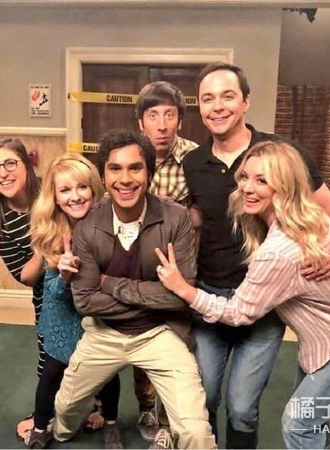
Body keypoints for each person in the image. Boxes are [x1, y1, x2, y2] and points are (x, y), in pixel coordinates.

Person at [156, 140, 330, 449]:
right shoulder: (308, 218)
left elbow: (238, 313)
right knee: (312, 419)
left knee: (299, 425)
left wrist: (182, 288)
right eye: (245, 177)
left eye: (262, 181)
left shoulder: (278, 251)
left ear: (284, 186)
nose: (247, 188)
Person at [182, 62, 330, 448]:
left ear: (245, 102)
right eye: (207, 99)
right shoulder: (193, 163)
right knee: (203, 399)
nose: (217, 106)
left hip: (266, 307)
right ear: (199, 107)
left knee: (242, 407)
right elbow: (198, 218)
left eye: (228, 96)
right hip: (210, 296)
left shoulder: (282, 155)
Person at [50, 129, 217, 450]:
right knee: (64, 409)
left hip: (160, 333)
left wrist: (109, 283)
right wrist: (156, 295)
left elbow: (180, 295)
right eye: (115, 168)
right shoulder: (88, 226)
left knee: (196, 433)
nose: (125, 179)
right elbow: (85, 301)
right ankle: (61, 432)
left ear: (149, 174)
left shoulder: (176, 219)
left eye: (135, 168)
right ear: (103, 176)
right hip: (104, 334)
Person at [22, 153, 122, 450]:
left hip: (100, 316)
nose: (75, 196)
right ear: (54, 196)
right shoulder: (52, 232)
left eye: (82, 187)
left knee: (107, 374)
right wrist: (64, 275)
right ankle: (40, 426)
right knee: (51, 373)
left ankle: (110, 422)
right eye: (65, 190)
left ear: (94, 189)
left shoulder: (111, 223)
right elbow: (52, 293)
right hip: (63, 319)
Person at [134, 80, 199, 447]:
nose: (162, 125)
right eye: (153, 115)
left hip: (179, 268)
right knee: (139, 337)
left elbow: (206, 212)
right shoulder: (130, 154)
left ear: (180, 120)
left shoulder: (195, 158)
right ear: (141, 122)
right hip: (135, 266)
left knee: (175, 343)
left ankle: (167, 421)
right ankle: (145, 405)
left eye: (169, 115)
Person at [0, 137, 47, 440]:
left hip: (86, 282)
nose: (3, 173)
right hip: (46, 292)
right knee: (49, 355)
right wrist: (46, 245)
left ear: (26, 165)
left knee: (95, 346)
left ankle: (100, 407)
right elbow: (26, 276)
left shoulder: (50, 191)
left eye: (10, 163)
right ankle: (44, 412)